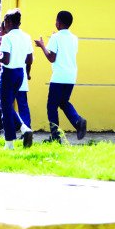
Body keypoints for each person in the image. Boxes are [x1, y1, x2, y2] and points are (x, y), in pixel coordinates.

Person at [35, 10, 87, 143]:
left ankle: (56, 136)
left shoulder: (56, 37)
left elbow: (52, 58)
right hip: (70, 76)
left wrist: (42, 46)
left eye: (56, 21)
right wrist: (53, 38)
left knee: (51, 106)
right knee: (63, 102)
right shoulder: (74, 38)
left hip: (59, 77)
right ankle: (78, 121)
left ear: (58, 22)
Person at [0, 9, 34, 149]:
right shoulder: (26, 36)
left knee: (5, 109)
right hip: (20, 73)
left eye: (5, 21)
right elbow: (30, 58)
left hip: (8, 74)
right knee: (6, 106)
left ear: (9, 22)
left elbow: (5, 60)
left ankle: (9, 144)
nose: (4, 25)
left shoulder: (7, 38)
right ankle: (25, 129)